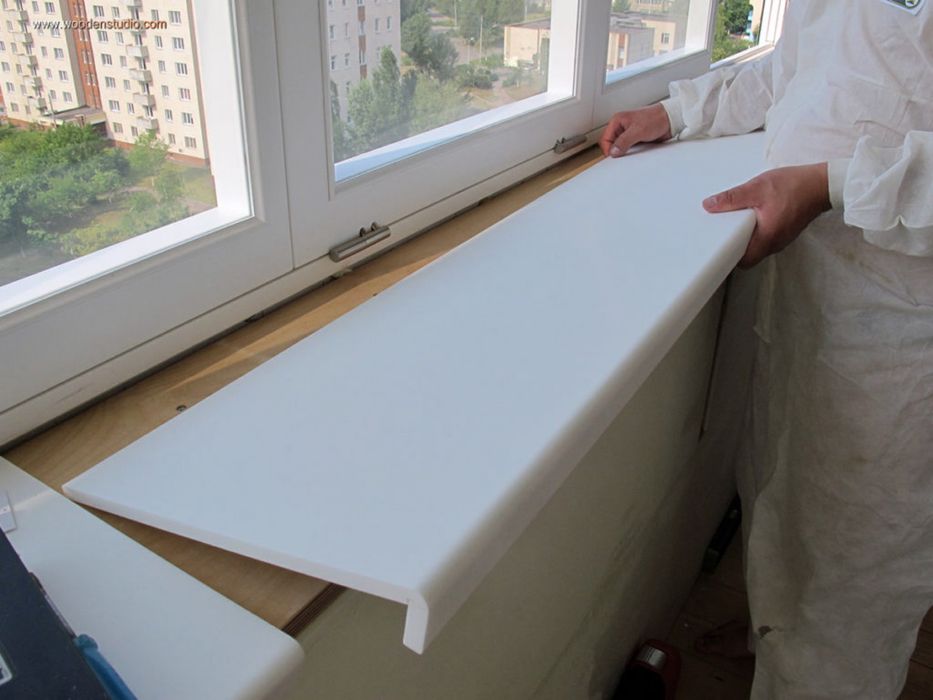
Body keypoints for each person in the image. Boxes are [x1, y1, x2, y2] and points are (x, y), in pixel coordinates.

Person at [599, 2, 933, 698]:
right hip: (816, 280)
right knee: (781, 490)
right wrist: (679, 113)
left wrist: (828, 184)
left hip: (905, 322)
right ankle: (778, 639)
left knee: (861, 555)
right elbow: (804, 65)